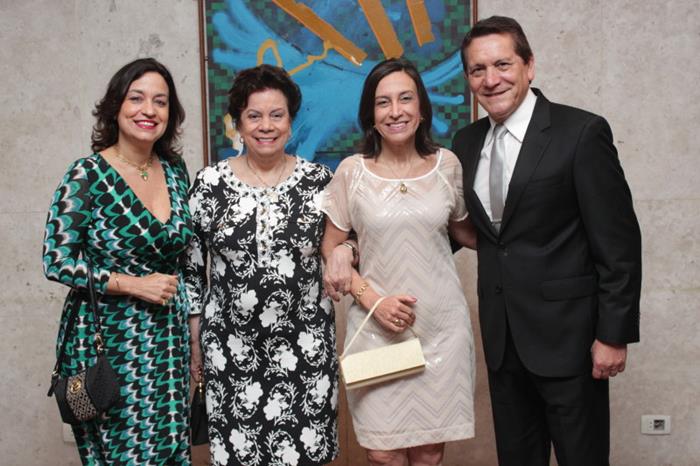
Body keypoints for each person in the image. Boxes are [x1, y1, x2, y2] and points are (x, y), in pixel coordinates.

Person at [451, 16, 642, 466]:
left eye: (502, 64)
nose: (491, 79)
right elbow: (467, 229)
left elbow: (619, 244)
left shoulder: (581, 133)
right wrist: (351, 247)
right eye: (478, 70)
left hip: (571, 342)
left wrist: (613, 336)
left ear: (529, 65)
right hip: (503, 342)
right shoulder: (466, 141)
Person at [321, 58, 477, 466]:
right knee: (383, 452)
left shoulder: (447, 166)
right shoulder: (352, 173)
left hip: (442, 331)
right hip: (376, 329)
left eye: (405, 99)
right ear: (370, 116)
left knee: (429, 454)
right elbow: (331, 246)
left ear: (421, 108)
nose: (395, 111)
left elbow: (468, 234)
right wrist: (373, 299)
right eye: (383, 102)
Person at [184, 64, 339, 466]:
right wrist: (195, 336)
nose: (266, 126)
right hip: (230, 352)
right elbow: (191, 265)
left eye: (276, 115)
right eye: (254, 115)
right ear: (238, 122)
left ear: (291, 121)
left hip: (306, 349)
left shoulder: (319, 182)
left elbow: (345, 242)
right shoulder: (210, 184)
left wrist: (347, 250)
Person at [42, 58, 193, 464]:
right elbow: (56, 260)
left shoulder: (176, 171)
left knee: (170, 449)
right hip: (108, 344)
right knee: (122, 453)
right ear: (115, 106)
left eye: (160, 101)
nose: (149, 110)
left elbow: (185, 257)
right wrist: (132, 284)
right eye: (136, 98)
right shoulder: (86, 175)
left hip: (168, 340)